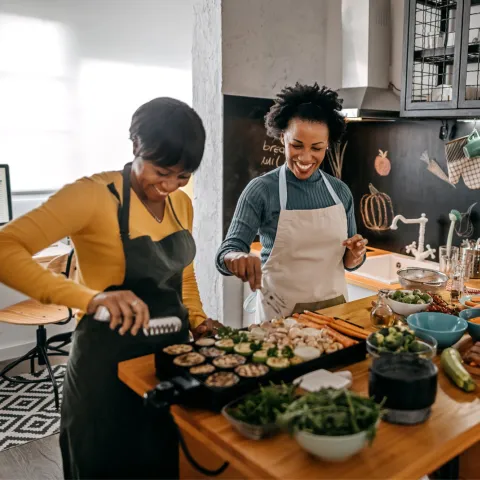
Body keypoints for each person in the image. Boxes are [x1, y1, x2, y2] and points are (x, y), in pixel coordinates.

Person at [0, 97, 219, 479]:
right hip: (106, 369)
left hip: (168, 361)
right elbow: (5, 248)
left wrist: (197, 320)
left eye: (182, 176)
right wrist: (90, 298)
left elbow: (182, 274)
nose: (169, 185)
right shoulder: (92, 195)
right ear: (136, 146)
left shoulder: (181, 203)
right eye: (162, 170)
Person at [216, 83, 368, 323]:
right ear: (282, 138)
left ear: (327, 144)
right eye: (297, 145)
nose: (306, 157)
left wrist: (355, 254)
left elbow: (349, 263)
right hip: (280, 320)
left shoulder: (340, 192)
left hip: (334, 317)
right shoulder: (261, 190)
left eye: (317, 148)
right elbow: (225, 253)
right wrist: (236, 258)